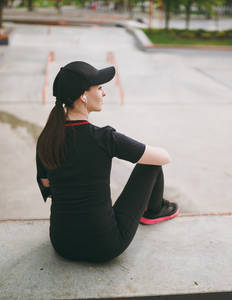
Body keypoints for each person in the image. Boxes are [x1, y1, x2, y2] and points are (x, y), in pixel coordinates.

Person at [36, 61, 179, 263]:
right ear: (83, 96)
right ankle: (154, 211)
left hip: (62, 242)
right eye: (100, 87)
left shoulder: (47, 138)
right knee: (151, 165)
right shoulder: (104, 138)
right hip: (105, 245)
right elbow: (164, 158)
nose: (104, 93)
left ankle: (153, 211)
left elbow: (47, 186)